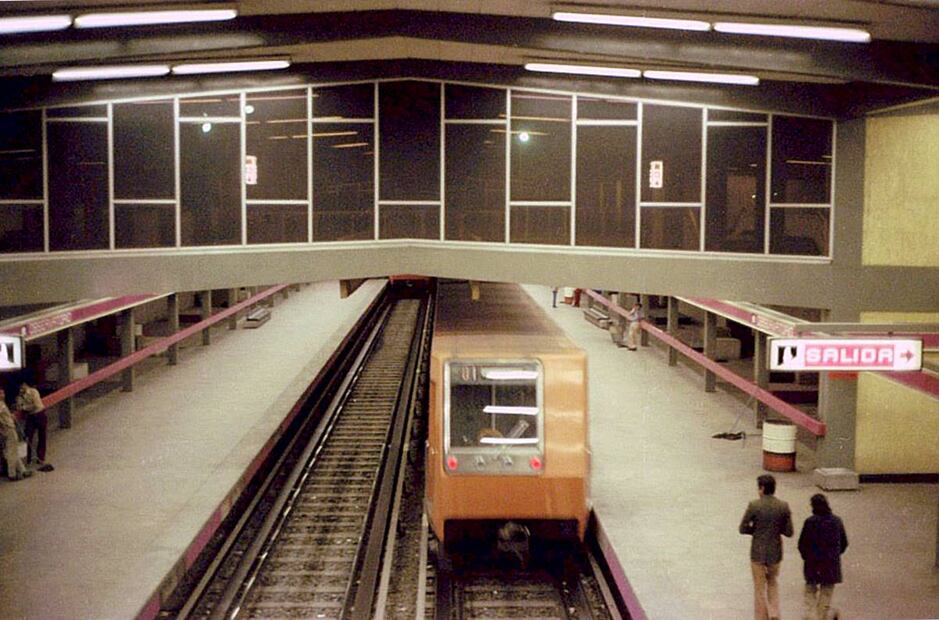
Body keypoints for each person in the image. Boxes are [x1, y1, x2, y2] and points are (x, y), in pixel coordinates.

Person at [740, 474, 794, 620]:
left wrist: (756, 531)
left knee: (759, 587)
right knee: (772, 582)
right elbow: (789, 532)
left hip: (757, 552)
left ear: (762, 488)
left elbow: (742, 528)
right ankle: (775, 613)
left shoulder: (754, 505)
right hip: (775, 552)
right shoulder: (783, 506)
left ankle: (761, 617)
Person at [798, 494, 848, 620]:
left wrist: (806, 557)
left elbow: (802, 544)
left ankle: (811, 615)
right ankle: (820, 616)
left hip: (812, 563)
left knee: (810, 591)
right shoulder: (837, 521)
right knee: (826, 592)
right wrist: (835, 555)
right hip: (830, 564)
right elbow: (844, 543)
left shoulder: (810, 522)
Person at [16, 382, 53, 472]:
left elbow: (36, 405)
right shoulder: (19, 397)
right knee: (28, 437)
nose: (21, 390)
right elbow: (18, 407)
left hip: (40, 414)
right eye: (20, 389)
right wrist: (24, 406)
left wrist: (24, 407)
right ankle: (28, 458)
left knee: (42, 436)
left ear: (26, 385)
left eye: (22, 387)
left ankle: (41, 457)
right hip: (30, 417)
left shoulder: (34, 392)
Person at [0, 388, 30, 481]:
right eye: (1, 393)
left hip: (8, 428)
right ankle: (12, 474)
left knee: (14, 450)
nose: (3, 394)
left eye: (3, 392)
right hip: (8, 429)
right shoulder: (0, 404)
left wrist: (10, 416)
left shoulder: (2, 403)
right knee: (11, 452)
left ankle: (23, 471)